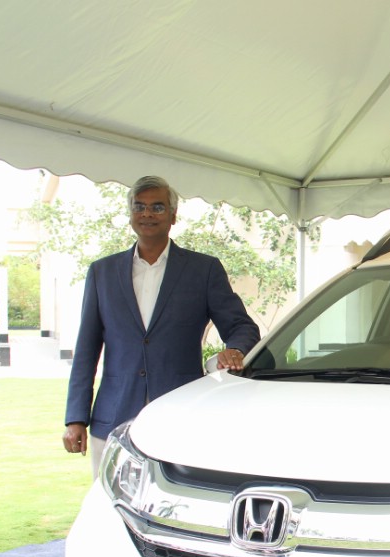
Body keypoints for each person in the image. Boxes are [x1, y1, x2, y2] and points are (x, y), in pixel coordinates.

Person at [62, 175, 260, 474]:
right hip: (113, 417)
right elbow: (86, 349)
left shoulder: (202, 270)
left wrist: (234, 349)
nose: (147, 214)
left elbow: (242, 327)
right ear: (130, 215)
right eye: (139, 207)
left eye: (157, 207)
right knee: (108, 507)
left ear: (173, 216)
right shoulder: (102, 272)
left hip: (181, 414)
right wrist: (75, 418)